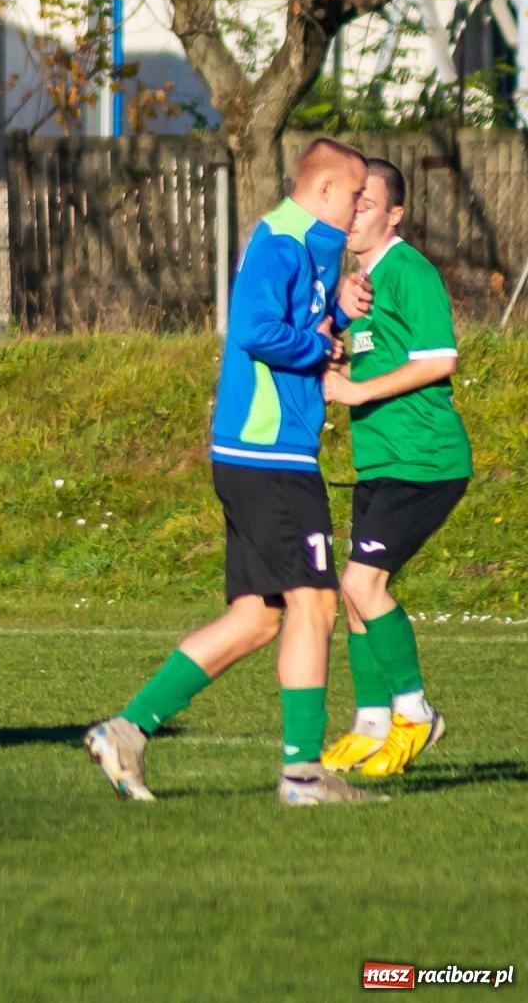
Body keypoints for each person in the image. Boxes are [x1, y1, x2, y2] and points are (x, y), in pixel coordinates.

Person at [84, 138, 381, 806]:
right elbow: (254, 330)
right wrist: (321, 344)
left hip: (258, 456)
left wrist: (338, 313)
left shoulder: (307, 246)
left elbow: (302, 323)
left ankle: (126, 730)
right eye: (357, 194)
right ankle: (304, 775)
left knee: (256, 618)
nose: (363, 206)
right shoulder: (281, 241)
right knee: (317, 603)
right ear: (327, 191)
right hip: (269, 455)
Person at [320, 158, 471, 777]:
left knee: (363, 586)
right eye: (351, 202)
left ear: (395, 214)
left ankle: (416, 714)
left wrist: (354, 391)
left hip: (426, 461)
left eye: (368, 204)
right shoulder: (362, 286)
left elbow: (440, 359)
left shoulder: (409, 271)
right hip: (381, 461)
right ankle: (371, 723)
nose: (355, 215)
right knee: (353, 598)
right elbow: (370, 361)